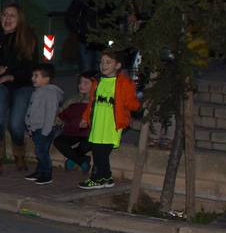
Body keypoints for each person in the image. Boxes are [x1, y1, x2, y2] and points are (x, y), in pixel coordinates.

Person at [0, 4, 39, 174]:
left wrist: (11, 76)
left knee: (15, 124)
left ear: (19, 19)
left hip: (22, 84)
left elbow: (31, 67)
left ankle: (19, 155)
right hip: (0, 84)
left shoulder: (29, 39)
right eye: (5, 15)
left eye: (12, 15)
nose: (7, 19)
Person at [78, 50, 141, 189]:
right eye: (102, 62)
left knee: (101, 153)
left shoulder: (123, 83)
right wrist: (85, 117)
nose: (103, 65)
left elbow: (131, 102)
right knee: (98, 152)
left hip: (111, 126)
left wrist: (138, 104)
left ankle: (96, 179)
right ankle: (107, 178)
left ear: (117, 65)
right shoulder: (98, 82)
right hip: (97, 125)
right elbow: (91, 103)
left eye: (108, 62)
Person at [24, 63, 65, 185]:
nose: (32, 78)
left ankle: (47, 174)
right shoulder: (39, 91)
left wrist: (45, 131)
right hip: (37, 128)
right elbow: (32, 109)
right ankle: (40, 171)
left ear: (46, 79)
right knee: (40, 151)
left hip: (45, 128)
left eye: (36, 76)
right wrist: (30, 125)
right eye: (32, 75)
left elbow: (50, 113)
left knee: (41, 152)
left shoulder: (50, 93)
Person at [54, 71, 98, 175]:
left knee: (86, 144)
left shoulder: (96, 100)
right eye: (80, 82)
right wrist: (60, 122)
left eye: (85, 83)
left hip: (88, 133)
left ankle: (73, 159)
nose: (81, 85)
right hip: (73, 131)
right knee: (59, 142)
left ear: (95, 85)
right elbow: (61, 115)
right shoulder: (73, 99)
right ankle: (82, 160)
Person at [66, 0, 105, 74]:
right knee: (86, 71)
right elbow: (70, 16)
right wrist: (80, 31)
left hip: (102, 41)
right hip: (85, 40)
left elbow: (114, 17)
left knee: (102, 70)